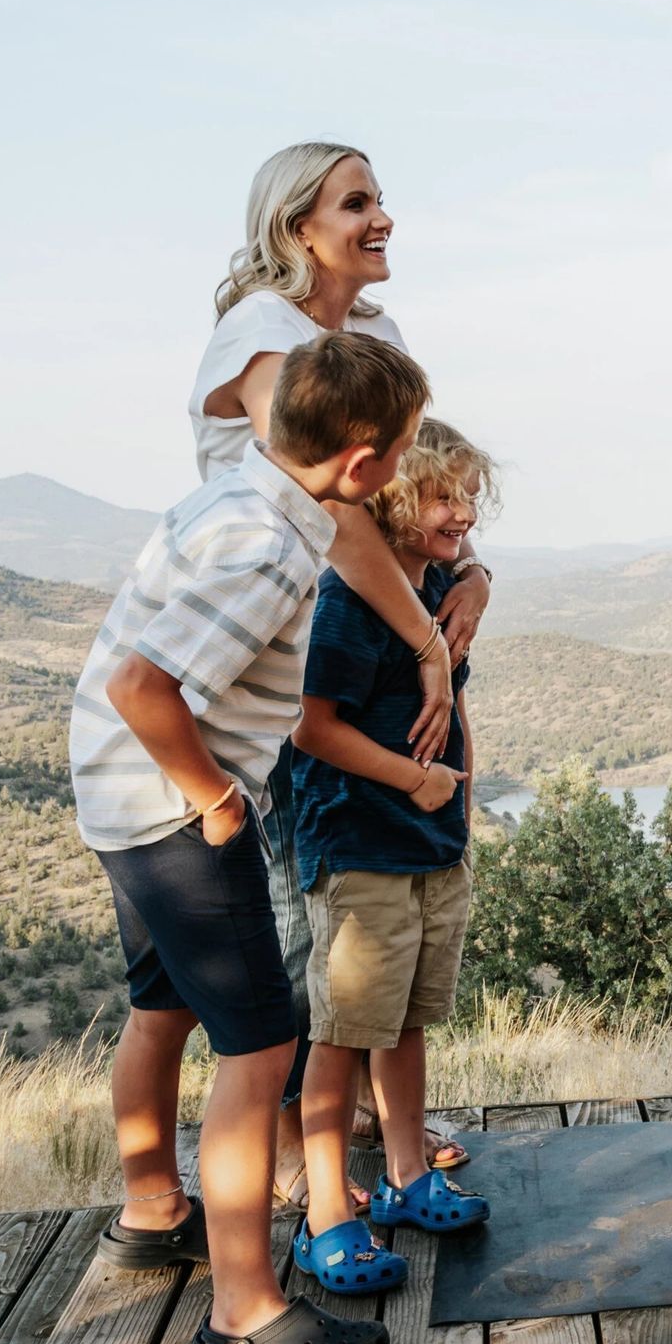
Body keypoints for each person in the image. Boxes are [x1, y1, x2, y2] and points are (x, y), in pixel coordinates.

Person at [70, 331, 429, 1344]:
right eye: (402, 451)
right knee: (261, 1047)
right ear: (362, 466)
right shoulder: (271, 550)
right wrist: (218, 799)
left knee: (162, 1003)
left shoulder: (239, 488)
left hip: (115, 793)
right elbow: (147, 686)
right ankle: (247, 1310)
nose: (399, 470)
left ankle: (152, 1209)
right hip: (174, 810)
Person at [189, 141, 485, 1203]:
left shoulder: (374, 334)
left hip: (364, 618)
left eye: (380, 199)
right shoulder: (266, 337)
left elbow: (405, 485)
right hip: (277, 640)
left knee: (373, 967)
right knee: (303, 934)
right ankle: (290, 1171)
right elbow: (336, 506)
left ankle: (374, 1135)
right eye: (356, 202)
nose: (383, 217)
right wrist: (422, 646)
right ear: (295, 230)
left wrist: (472, 572)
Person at [289, 420, 500, 1293]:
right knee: (342, 1035)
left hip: (431, 846)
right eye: (445, 497)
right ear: (392, 500)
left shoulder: (442, 587)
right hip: (363, 844)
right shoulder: (349, 602)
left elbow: (450, 702)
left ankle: (410, 1179)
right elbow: (313, 728)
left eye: (469, 497)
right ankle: (329, 1214)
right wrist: (411, 782)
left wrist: (454, 795)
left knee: (405, 1021)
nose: (464, 513)